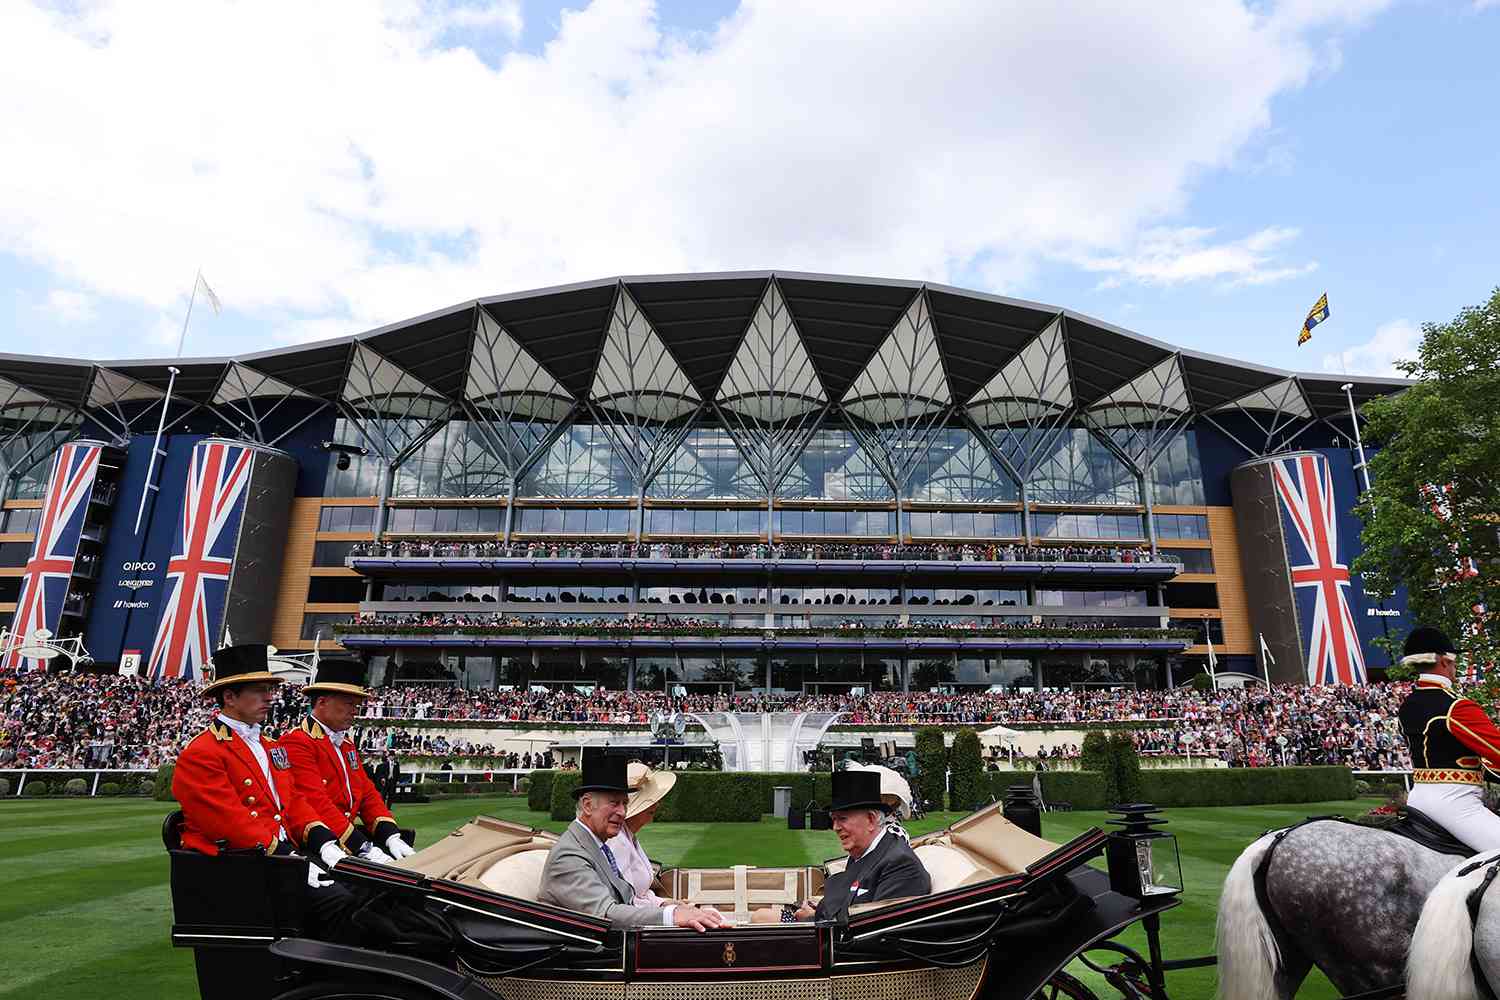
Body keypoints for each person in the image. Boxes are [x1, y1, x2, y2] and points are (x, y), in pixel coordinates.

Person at [171, 643, 363, 942]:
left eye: (269, 689)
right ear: (230, 696)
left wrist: (324, 842)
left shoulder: (271, 746)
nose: (269, 697)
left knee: (363, 887)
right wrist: (291, 859)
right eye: (259, 690)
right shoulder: (203, 751)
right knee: (341, 901)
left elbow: (293, 802)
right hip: (243, 861)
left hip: (278, 854)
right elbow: (230, 822)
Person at [538, 751, 724, 930]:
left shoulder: (596, 844)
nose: (622, 812)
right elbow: (606, 913)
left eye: (625, 803)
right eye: (614, 803)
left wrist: (670, 907)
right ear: (587, 805)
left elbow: (628, 897)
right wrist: (672, 915)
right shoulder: (569, 856)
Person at [277, 657, 416, 863]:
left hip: (344, 837)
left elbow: (366, 791)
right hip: (318, 841)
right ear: (322, 702)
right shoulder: (297, 742)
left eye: (357, 704)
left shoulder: (346, 743)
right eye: (349, 703)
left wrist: (390, 835)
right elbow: (316, 802)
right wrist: (362, 846)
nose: (355, 710)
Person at [759, 769, 930, 923]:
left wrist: (812, 917)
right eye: (833, 819)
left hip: (837, 946)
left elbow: (869, 929)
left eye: (842, 819)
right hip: (828, 931)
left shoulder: (900, 864)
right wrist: (818, 909)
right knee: (761, 915)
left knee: (762, 918)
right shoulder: (865, 852)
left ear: (871, 819)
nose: (835, 827)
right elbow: (849, 902)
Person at [1397, 626, 1500, 851]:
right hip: (1455, 803)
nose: (1455, 667)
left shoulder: (1408, 705)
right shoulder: (1456, 707)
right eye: (1454, 662)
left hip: (1418, 798)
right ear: (1444, 661)